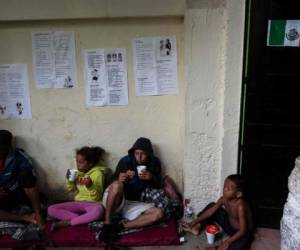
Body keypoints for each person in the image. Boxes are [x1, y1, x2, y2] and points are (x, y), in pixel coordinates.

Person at [100, 137, 170, 243]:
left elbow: (158, 185)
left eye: (143, 154)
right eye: (137, 153)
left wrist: (152, 177)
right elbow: (111, 181)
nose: (139, 157)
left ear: (149, 154)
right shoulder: (126, 160)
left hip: (133, 203)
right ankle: (107, 224)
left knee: (158, 214)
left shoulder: (154, 162)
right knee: (117, 185)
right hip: (117, 199)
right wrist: (119, 178)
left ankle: (119, 226)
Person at [183, 174, 253, 250]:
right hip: (229, 227)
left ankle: (217, 248)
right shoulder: (223, 199)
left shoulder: (240, 206)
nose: (224, 189)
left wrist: (227, 242)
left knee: (240, 247)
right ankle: (197, 227)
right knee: (212, 205)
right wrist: (194, 222)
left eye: (228, 189)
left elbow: (243, 230)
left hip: (241, 234)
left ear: (238, 194)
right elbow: (210, 212)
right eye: (224, 186)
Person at [48, 146, 106, 231]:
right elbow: (71, 189)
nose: (77, 165)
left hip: (92, 204)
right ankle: (80, 219)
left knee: (99, 211)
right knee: (51, 209)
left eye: (80, 162)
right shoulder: (77, 173)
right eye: (77, 162)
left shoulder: (98, 174)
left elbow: (97, 197)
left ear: (90, 164)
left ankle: (69, 222)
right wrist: (69, 180)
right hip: (78, 203)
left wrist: (90, 186)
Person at [0, 130, 44, 229]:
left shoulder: (18, 157)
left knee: (27, 177)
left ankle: (38, 215)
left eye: (1, 149)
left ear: (8, 147)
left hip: (15, 193)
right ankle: (24, 218)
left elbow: (30, 178)